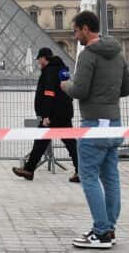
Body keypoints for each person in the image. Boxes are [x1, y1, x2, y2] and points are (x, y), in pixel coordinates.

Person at [61, 11, 129, 249]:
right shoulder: (118, 53)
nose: (74, 36)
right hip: (114, 122)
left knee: (89, 177)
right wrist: (107, 95)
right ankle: (109, 228)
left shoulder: (88, 55)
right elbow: (127, 88)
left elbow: (79, 90)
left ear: (85, 28)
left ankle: (100, 232)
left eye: (75, 31)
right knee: (111, 178)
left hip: (94, 124)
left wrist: (65, 85)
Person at [12, 47, 80, 183]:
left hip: (53, 114)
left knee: (43, 141)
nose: (38, 62)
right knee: (68, 143)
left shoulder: (49, 71)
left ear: (44, 58)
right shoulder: (62, 69)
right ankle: (82, 170)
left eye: (39, 59)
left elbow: (49, 93)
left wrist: (46, 115)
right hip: (64, 111)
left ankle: (29, 169)